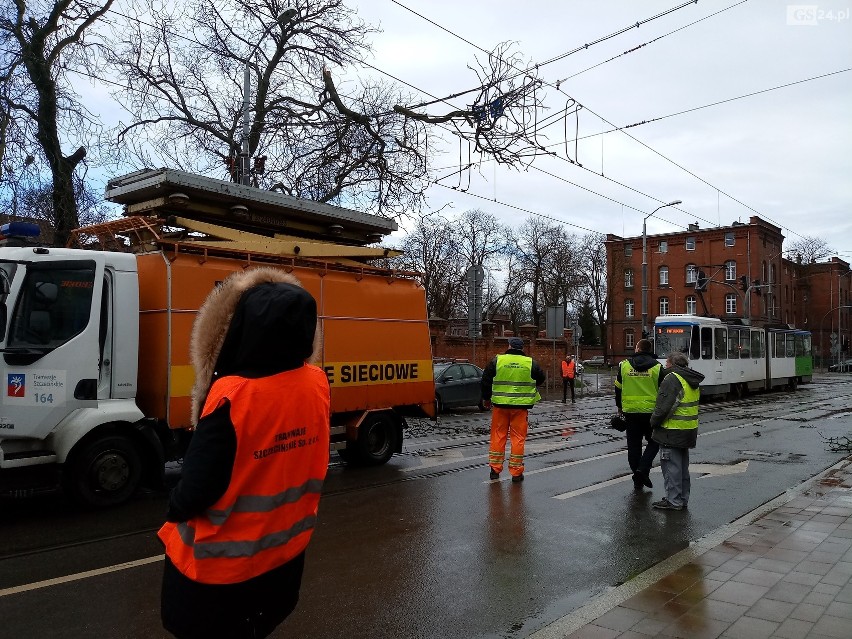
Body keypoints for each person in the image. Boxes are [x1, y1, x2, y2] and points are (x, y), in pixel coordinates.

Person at [158, 267, 331, 639]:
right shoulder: (315, 382)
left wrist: (173, 505)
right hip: (284, 560)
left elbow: (195, 491)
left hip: (220, 579)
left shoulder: (232, 395)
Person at [481, 337, 546, 483]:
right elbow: (541, 378)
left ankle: (495, 470)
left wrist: (486, 398)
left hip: (500, 406)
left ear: (509, 346)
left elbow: (485, 380)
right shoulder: (529, 363)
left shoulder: (497, 361)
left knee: (498, 436)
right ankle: (516, 473)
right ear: (522, 348)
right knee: (517, 439)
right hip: (520, 408)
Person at [650, 351, 704, 511]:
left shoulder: (672, 378)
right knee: (681, 468)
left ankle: (673, 501)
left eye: (666, 363)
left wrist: (653, 421)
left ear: (672, 365)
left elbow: (664, 407)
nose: (664, 366)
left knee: (671, 468)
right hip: (687, 430)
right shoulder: (690, 379)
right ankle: (682, 498)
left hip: (671, 431)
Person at [614, 339, 663, 491]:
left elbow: (618, 389)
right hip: (651, 413)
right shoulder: (658, 367)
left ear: (637, 349)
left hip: (630, 413)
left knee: (633, 447)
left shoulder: (624, 365)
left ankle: (638, 480)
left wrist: (620, 407)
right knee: (655, 441)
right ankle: (642, 470)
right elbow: (663, 392)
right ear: (649, 350)